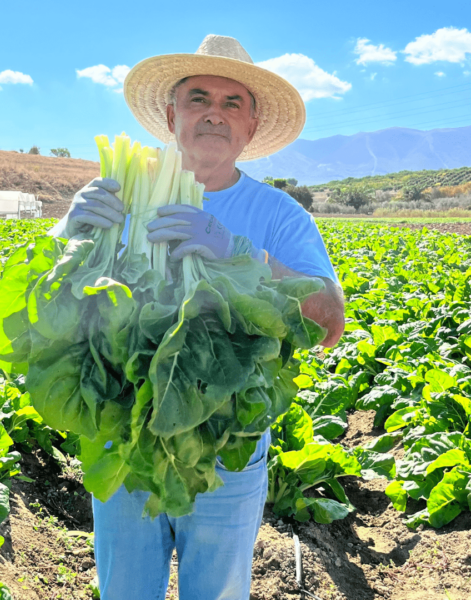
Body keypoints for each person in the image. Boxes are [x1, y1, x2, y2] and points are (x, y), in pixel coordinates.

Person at [50, 34, 345, 600]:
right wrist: (69, 232)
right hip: (123, 432)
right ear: (170, 114)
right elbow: (45, 313)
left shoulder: (278, 214)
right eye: (198, 98)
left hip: (227, 447)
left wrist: (241, 254)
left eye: (232, 102)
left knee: (217, 592)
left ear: (251, 125)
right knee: (125, 591)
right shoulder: (120, 191)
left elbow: (328, 318)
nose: (214, 112)